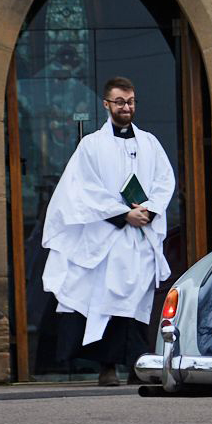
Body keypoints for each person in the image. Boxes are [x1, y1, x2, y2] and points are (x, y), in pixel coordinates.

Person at [40, 76, 176, 386]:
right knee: (106, 298)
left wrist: (149, 210)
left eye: (130, 102)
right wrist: (122, 213)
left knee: (137, 299)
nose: (126, 107)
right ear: (106, 104)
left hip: (141, 235)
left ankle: (138, 365)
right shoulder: (91, 145)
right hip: (108, 236)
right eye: (120, 102)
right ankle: (108, 368)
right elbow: (83, 189)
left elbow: (164, 182)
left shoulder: (150, 144)